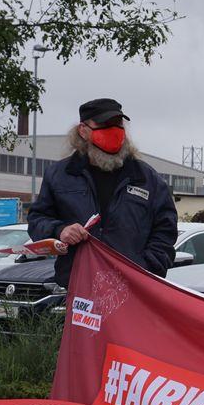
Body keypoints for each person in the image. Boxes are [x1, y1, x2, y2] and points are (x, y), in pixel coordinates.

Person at [28, 98, 178, 285]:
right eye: (104, 125)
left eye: (118, 124)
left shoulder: (147, 178)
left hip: (132, 287)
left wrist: (147, 268)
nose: (113, 130)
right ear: (83, 130)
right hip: (78, 285)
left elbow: (166, 229)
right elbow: (36, 220)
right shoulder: (60, 175)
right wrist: (60, 230)